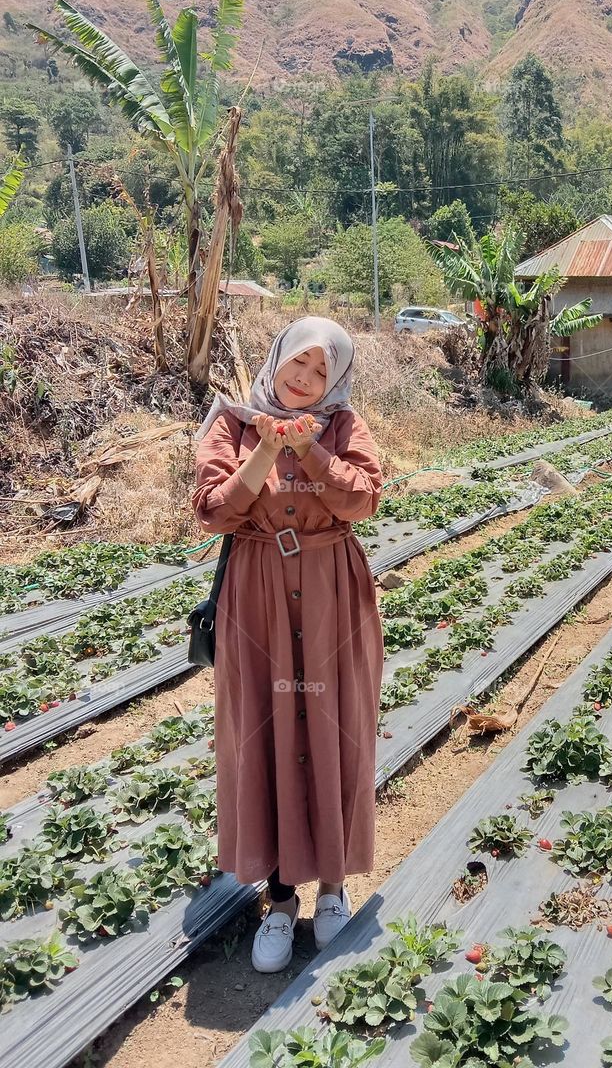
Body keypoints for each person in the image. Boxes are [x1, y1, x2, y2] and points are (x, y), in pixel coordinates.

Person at [191, 316, 384, 974]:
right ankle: (278, 900)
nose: (304, 379)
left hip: (333, 594)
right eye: (297, 363)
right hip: (258, 598)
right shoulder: (232, 423)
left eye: (320, 371)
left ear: (336, 379)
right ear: (275, 359)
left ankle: (332, 886)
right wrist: (267, 452)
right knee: (263, 732)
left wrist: (310, 452)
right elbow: (213, 510)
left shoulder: (344, 426)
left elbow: (363, 500)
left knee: (335, 728)